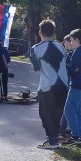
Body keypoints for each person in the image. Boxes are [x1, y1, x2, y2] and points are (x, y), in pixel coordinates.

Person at [29, 20, 69, 149]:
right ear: (54, 33)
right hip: (63, 85)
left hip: (47, 86)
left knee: (46, 114)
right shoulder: (61, 47)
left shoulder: (36, 49)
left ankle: (52, 141)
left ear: (40, 33)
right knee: (58, 112)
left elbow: (37, 70)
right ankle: (56, 136)